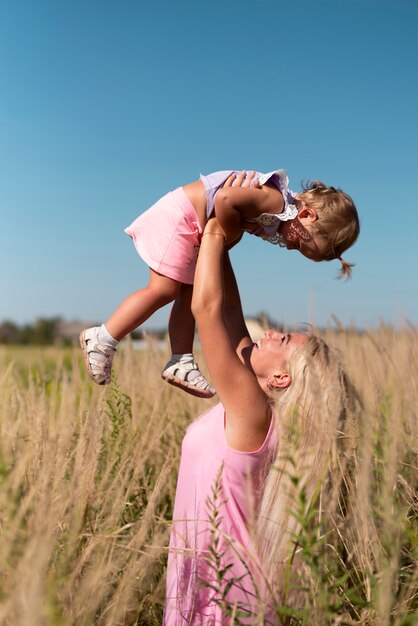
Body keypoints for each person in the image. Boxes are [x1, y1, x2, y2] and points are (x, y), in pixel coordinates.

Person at [163, 212, 359, 624]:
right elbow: (230, 309)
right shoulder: (259, 408)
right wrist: (224, 228)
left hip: (223, 601)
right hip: (214, 589)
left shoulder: (252, 412)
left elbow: (206, 308)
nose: (269, 332)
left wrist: (214, 231)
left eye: (282, 339)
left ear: (282, 377)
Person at [80, 169, 359, 396]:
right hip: (183, 216)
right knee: (165, 289)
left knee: (189, 292)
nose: (290, 247)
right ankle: (103, 337)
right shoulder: (276, 202)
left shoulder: (280, 211)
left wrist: (223, 237)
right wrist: (228, 234)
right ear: (307, 215)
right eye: (300, 244)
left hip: (196, 225)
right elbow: (225, 199)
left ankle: (181, 360)